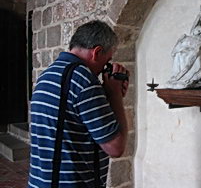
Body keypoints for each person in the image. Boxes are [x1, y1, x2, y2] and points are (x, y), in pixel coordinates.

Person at [28, 20, 129, 188]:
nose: (106, 68)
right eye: (107, 61)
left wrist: (105, 97)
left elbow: (71, 124)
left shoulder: (50, 73)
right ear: (96, 52)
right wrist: (115, 95)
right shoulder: (84, 81)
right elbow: (115, 147)